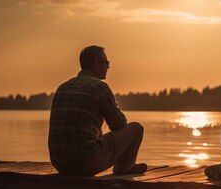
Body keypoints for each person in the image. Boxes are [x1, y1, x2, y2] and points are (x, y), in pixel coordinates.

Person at [48, 45, 147, 176]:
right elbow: (119, 124)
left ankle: (123, 165)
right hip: (86, 163)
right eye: (106, 62)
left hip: (59, 164)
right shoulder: (99, 87)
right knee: (136, 128)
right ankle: (124, 167)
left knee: (95, 134)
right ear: (96, 63)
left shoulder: (63, 87)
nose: (108, 67)